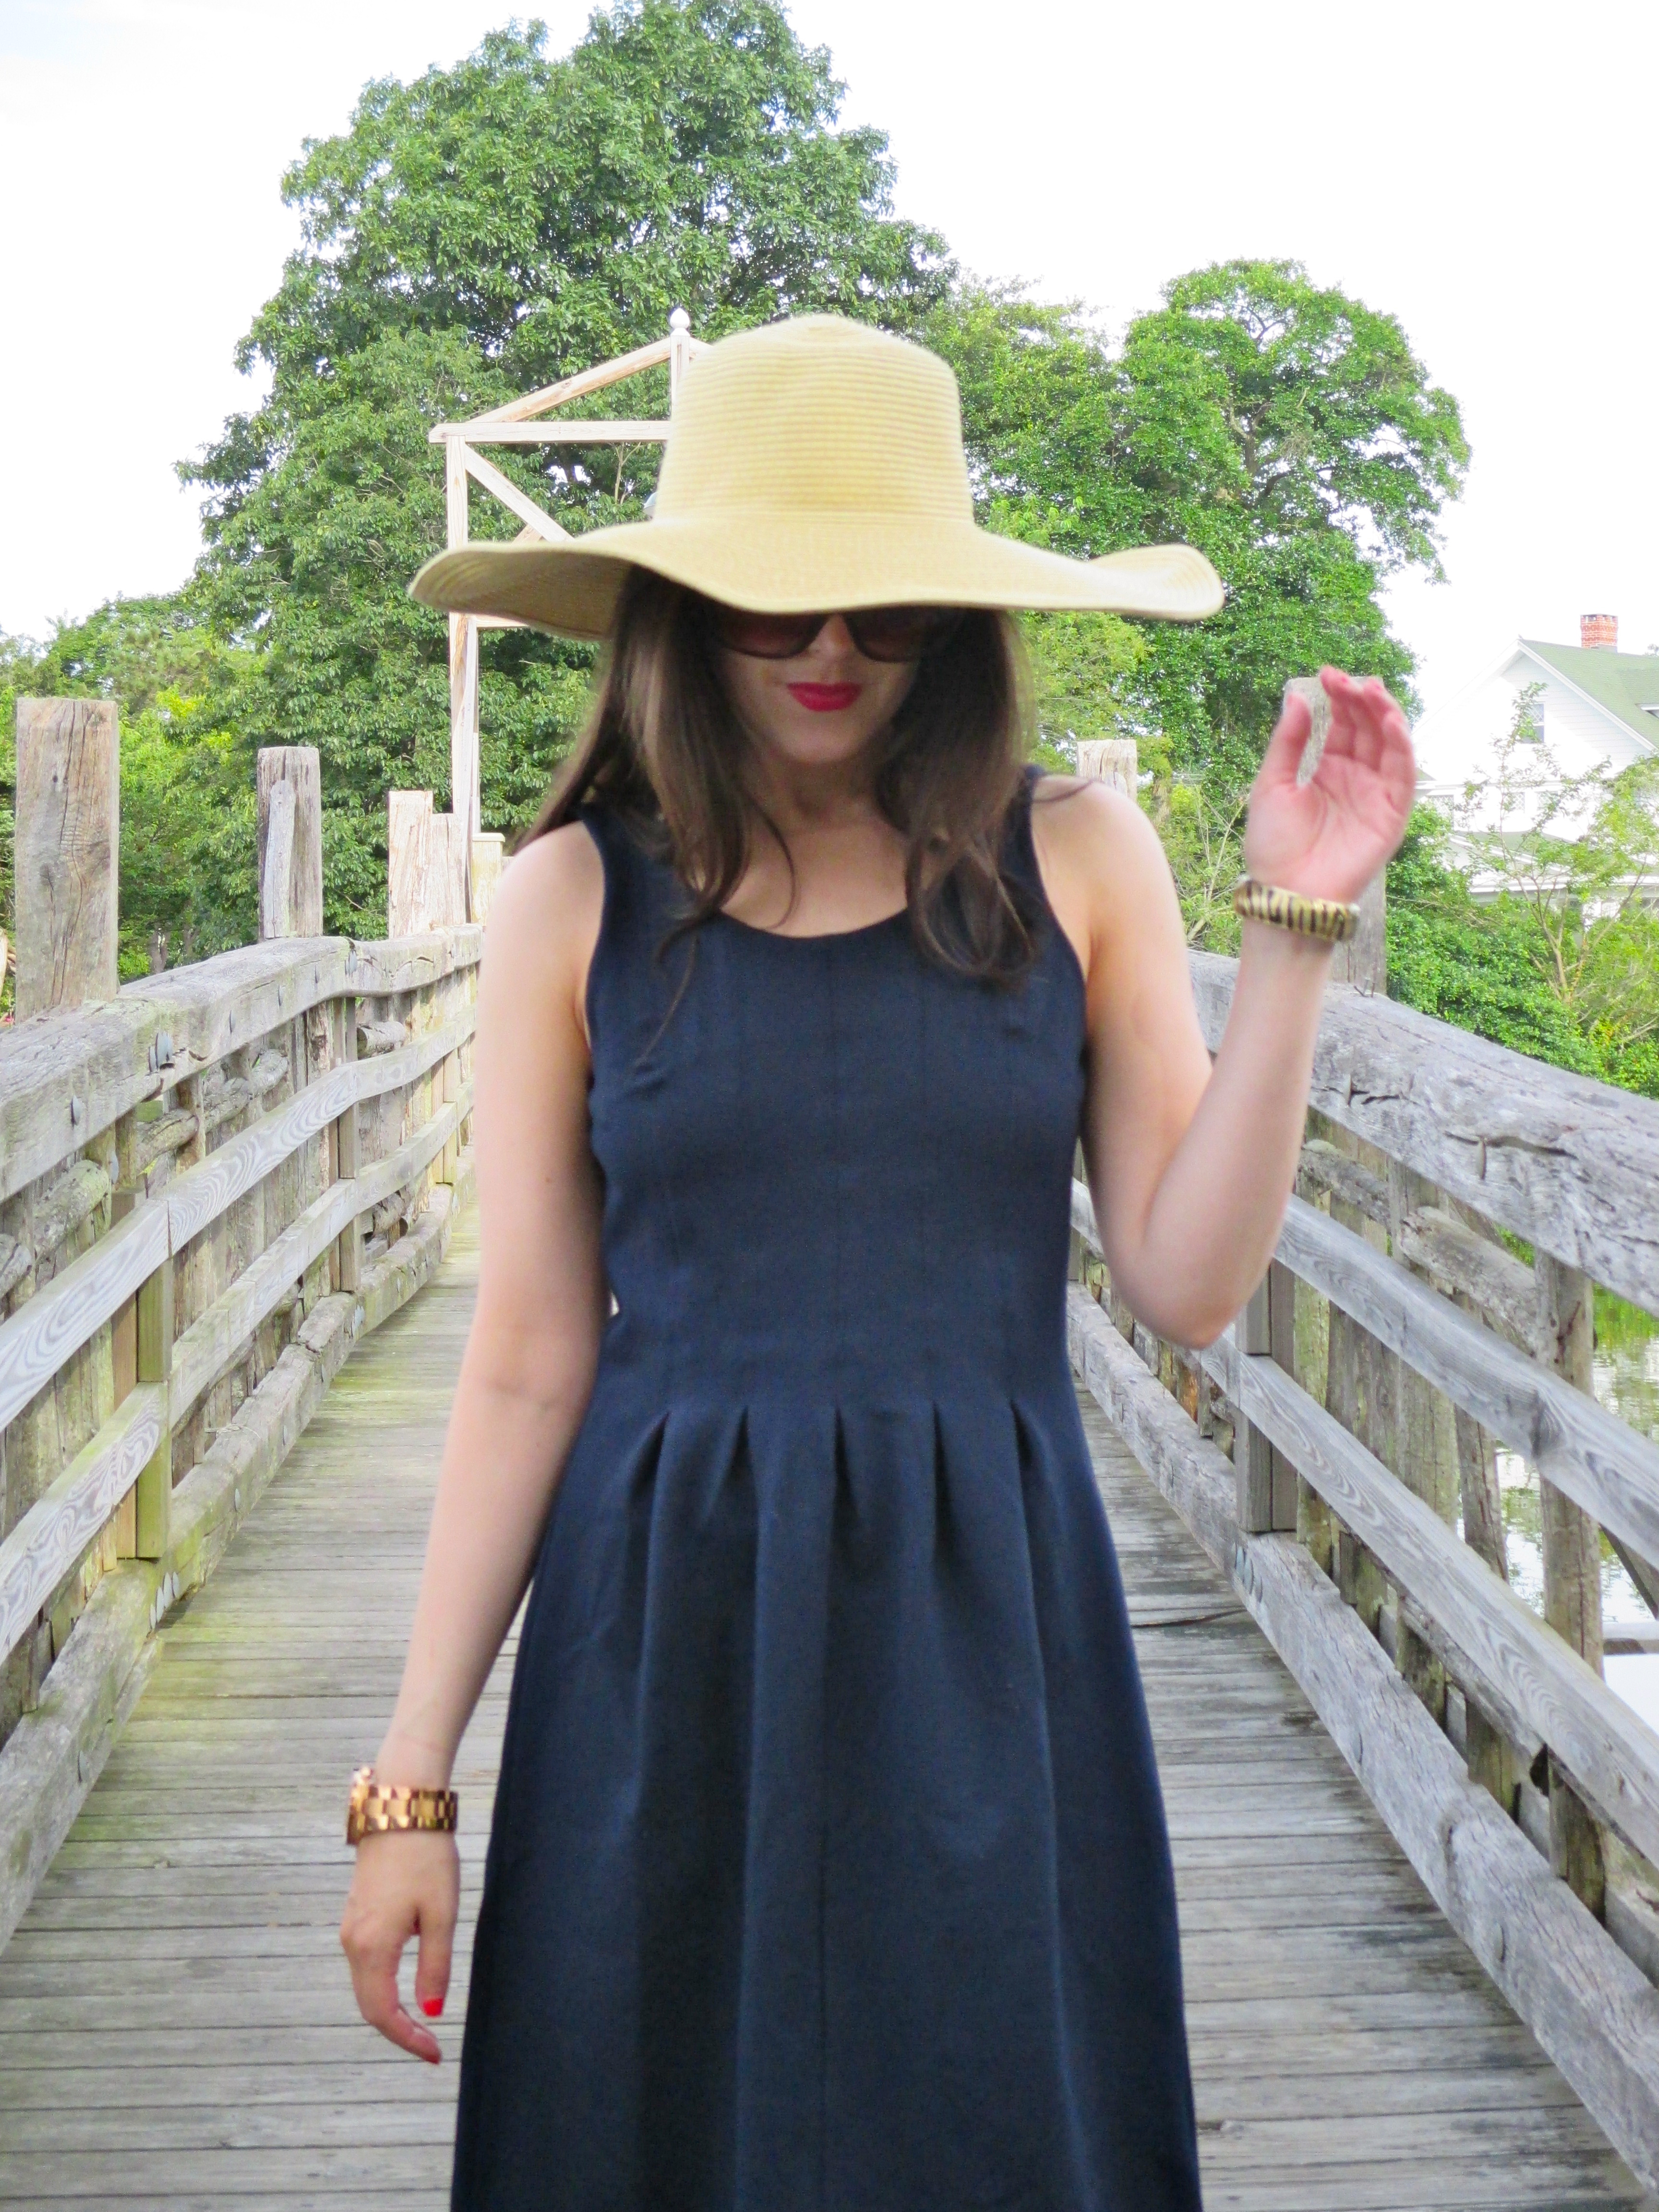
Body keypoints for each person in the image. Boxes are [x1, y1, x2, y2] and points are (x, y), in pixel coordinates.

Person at [339, 314, 1414, 2211]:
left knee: (992, 2125)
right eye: (775, 604)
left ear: (959, 617)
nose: (830, 648)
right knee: (648, 2127)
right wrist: (411, 1784)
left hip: (987, 1615)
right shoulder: (572, 895)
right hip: (664, 1620)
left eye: (888, 606)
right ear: (683, 612)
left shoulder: (1079, 855)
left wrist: (1295, 935)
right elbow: (526, 1353)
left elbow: (1187, 1282)